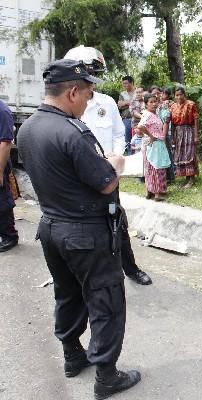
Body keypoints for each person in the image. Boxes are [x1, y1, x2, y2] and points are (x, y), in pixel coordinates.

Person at [17, 59, 141, 399]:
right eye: (87, 93)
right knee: (106, 299)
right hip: (85, 233)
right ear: (72, 92)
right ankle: (107, 376)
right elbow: (104, 182)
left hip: (51, 228)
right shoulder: (72, 132)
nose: (89, 101)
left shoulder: (26, 129)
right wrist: (115, 162)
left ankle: (73, 355)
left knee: (68, 293)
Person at [65, 45, 152, 287]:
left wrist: (114, 157)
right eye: (89, 73)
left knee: (117, 222)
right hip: (78, 180)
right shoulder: (67, 106)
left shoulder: (107, 103)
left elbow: (117, 133)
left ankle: (130, 269)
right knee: (81, 229)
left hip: (107, 175)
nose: (93, 80)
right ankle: (78, 275)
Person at [137, 93, 169, 201]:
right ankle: (156, 194)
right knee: (155, 167)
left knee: (150, 168)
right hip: (153, 143)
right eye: (151, 102)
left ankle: (149, 192)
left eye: (155, 101)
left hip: (152, 143)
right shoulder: (148, 115)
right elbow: (140, 127)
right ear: (146, 104)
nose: (154, 104)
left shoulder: (153, 114)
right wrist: (151, 136)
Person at [165, 87, 199, 188]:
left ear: (184, 94)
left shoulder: (191, 104)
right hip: (178, 132)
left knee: (189, 154)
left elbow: (196, 120)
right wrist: (173, 137)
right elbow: (171, 123)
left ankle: (191, 178)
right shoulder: (173, 107)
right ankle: (186, 177)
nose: (179, 97)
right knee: (180, 154)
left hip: (188, 130)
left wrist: (196, 135)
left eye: (180, 94)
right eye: (177, 95)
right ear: (174, 96)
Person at [0, 98, 18, 252]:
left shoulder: (3, 111)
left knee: (3, 200)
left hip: (0, 163)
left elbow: (6, 143)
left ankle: (9, 236)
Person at [157, 88, 175, 181]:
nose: (158, 96)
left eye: (159, 93)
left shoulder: (165, 105)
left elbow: (166, 121)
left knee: (167, 153)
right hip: (156, 134)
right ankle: (162, 176)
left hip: (164, 133)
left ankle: (169, 176)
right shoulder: (156, 105)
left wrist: (163, 135)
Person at [118, 76, 135, 154]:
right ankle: (129, 155)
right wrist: (129, 103)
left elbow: (140, 104)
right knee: (127, 140)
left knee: (138, 138)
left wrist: (125, 103)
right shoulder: (122, 94)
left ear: (131, 83)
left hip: (137, 120)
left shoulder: (137, 92)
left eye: (126, 83)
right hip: (126, 119)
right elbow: (119, 106)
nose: (124, 85)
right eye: (123, 83)